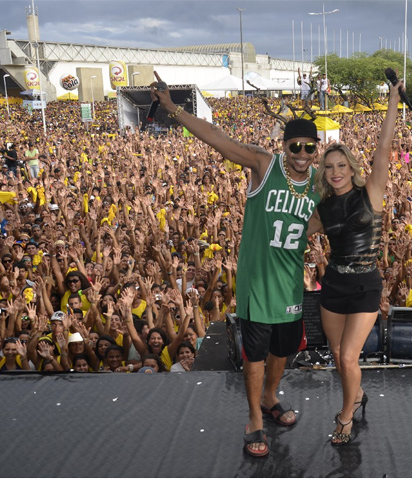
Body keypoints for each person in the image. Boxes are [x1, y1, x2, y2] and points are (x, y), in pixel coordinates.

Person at [150, 71, 322, 458]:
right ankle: (255, 419)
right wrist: (172, 109)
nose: (300, 154)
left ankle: (270, 397)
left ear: (316, 149)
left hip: (291, 281)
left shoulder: (318, 182)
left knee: (283, 349)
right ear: (284, 145)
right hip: (258, 282)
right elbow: (219, 140)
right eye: (294, 146)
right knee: (256, 355)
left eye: (308, 148)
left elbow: (320, 220)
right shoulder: (264, 164)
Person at [305, 78, 402, 445]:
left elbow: (384, 144)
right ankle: (357, 395)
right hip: (334, 285)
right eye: (329, 166)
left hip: (364, 284)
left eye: (341, 164)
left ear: (351, 166)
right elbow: (297, 234)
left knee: (348, 357)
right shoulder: (323, 206)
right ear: (323, 172)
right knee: (335, 353)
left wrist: (392, 98)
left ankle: (345, 416)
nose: (335, 171)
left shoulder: (371, 191)